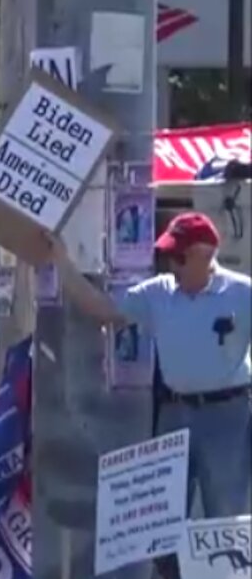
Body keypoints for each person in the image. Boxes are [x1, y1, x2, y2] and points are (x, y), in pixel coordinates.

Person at [42, 213, 251, 521]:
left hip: (227, 415)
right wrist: (61, 262)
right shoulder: (156, 293)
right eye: (168, 256)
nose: (172, 266)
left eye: (179, 257)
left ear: (206, 255)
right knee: (162, 517)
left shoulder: (243, 293)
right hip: (174, 413)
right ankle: (170, 571)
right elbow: (103, 310)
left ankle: (228, 571)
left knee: (225, 515)